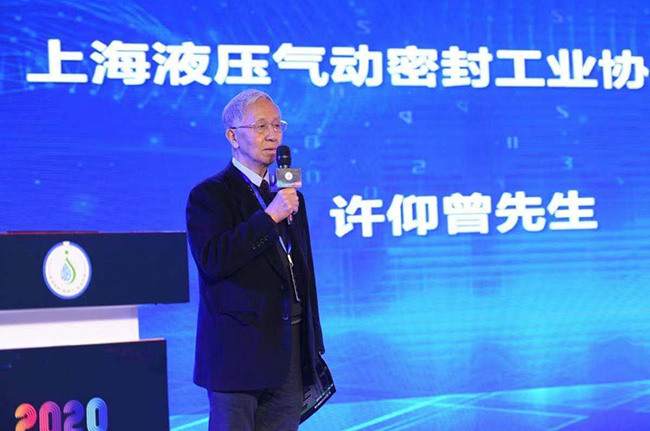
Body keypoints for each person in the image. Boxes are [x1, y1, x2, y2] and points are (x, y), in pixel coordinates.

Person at [186, 89, 334, 431]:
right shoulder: (210, 195)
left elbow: (302, 271)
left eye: (277, 125)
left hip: (289, 348)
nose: (272, 135)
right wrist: (269, 218)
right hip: (238, 353)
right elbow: (214, 259)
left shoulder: (289, 196)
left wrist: (313, 343)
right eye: (260, 126)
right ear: (232, 136)